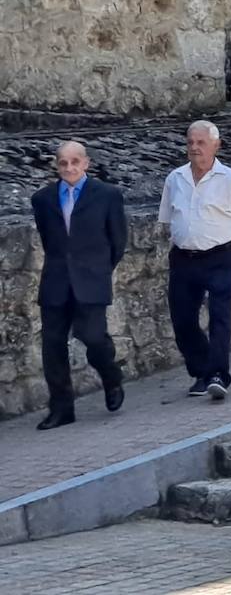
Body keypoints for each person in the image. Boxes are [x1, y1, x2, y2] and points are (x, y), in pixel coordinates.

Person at [30, 141, 127, 430]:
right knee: (52, 345)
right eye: (63, 163)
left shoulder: (107, 195)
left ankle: (111, 377)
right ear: (57, 165)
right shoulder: (43, 200)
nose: (69, 168)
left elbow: (117, 242)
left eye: (75, 162)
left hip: (92, 279)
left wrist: (97, 270)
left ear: (86, 163)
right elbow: (50, 240)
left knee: (93, 337)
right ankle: (61, 408)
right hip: (56, 281)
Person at [159, 120, 231, 398]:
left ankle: (218, 374)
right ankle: (201, 369)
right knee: (182, 319)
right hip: (183, 257)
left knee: (219, 316)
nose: (194, 148)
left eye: (201, 143)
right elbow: (168, 219)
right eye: (190, 142)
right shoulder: (175, 179)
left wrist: (228, 248)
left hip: (221, 255)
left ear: (216, 145)